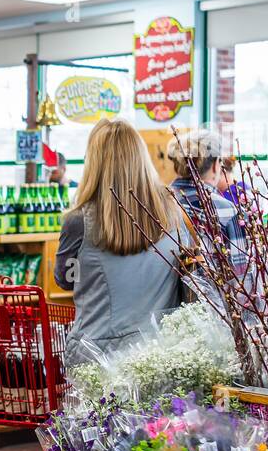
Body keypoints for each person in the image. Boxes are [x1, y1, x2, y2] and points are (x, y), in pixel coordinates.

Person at [54, 118, 185, 365]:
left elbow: (65, 279)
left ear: (92, 163)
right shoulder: (173, 212)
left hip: (97, 357)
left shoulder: (79, 222)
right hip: (162, 353)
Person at [166, 130, 247, 274]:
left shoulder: (154, 202)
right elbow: (241, 275)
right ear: (216, 165)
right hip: (205, 295)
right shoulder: (225, 210)